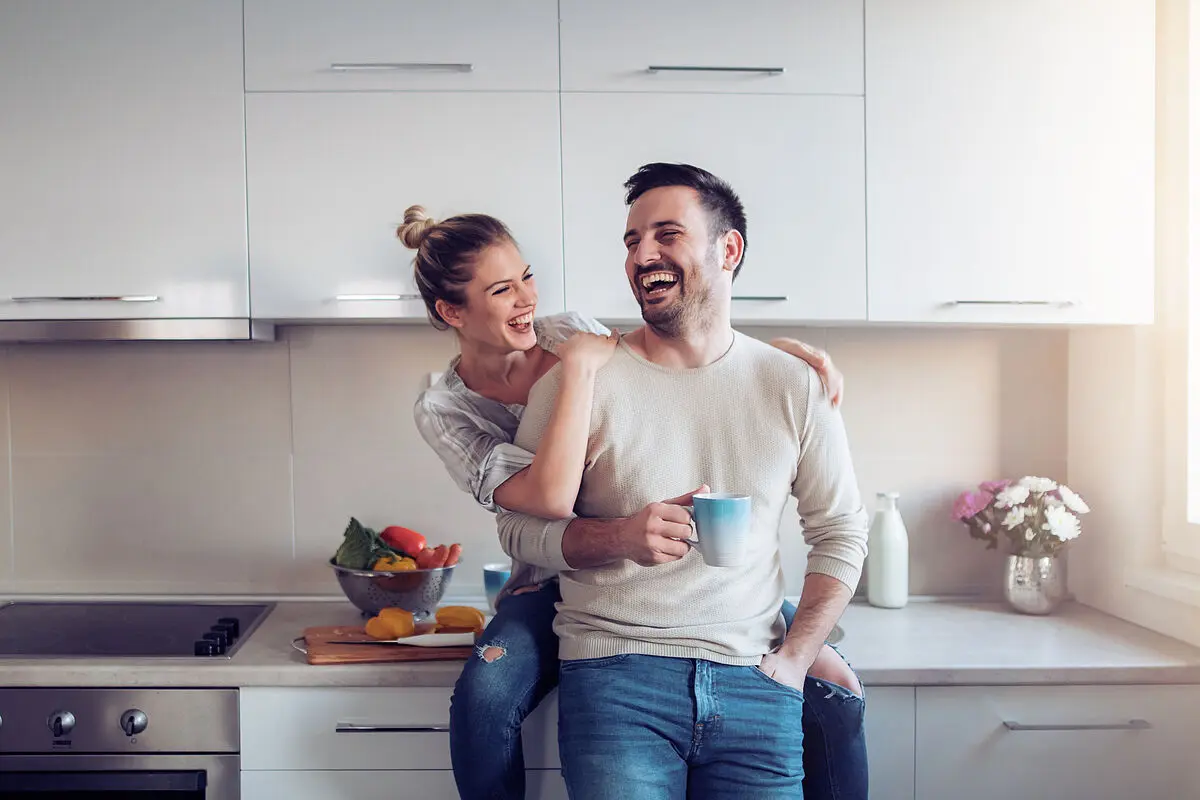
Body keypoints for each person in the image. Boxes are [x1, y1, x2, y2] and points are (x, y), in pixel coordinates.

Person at [405, 205, 865, 799]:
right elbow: (543, 501)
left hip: (687, 594)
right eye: (501, 290)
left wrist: (783, 371)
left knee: (837, 686)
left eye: (526, 277)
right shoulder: (447, 408)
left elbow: (678, 342)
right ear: (451, 311)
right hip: (556, 575)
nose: (526, 299)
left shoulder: (569, 332)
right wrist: (576, 377)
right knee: (485, 695)